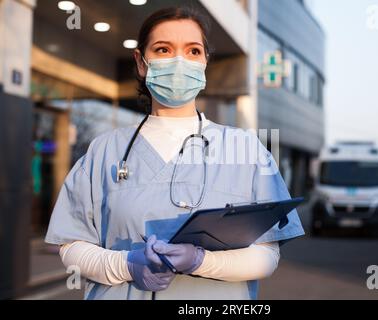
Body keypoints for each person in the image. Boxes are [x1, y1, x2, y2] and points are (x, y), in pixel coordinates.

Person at [45, 6, 304, 300]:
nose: (179, 61)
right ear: (142, 63)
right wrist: (127, 265)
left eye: (193, 51)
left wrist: (201, 261)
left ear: (205, 61)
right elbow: (72, 245)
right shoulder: (104, 151)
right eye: (163, 49)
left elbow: (266, 255)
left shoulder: (246, 151)